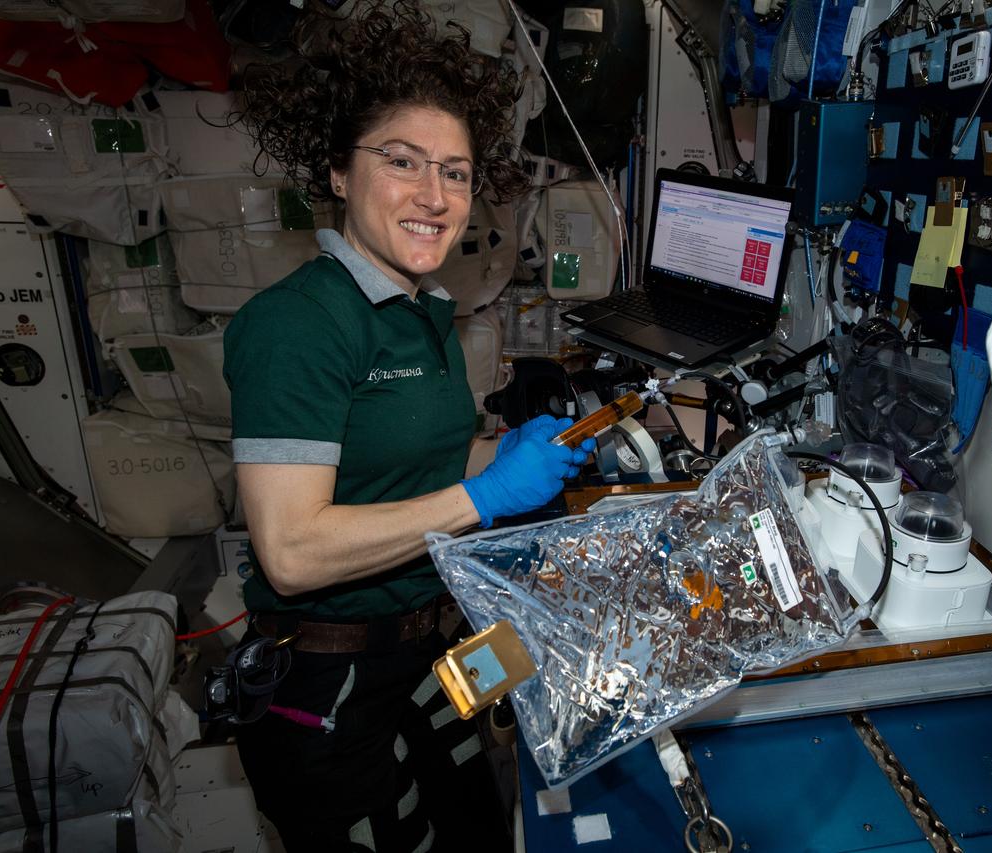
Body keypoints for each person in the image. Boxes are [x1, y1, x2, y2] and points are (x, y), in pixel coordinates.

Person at [222, 5, 591, 850]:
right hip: (325, 683)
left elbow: (413, 457)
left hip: (426, 653)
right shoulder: (300, 325)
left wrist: (511, 453)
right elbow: (292, 548)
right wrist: (486, 491)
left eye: (456, 173)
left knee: (485, 827)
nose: (435, 196)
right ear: (339, 174)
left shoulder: (423, 311)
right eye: (403, 163)